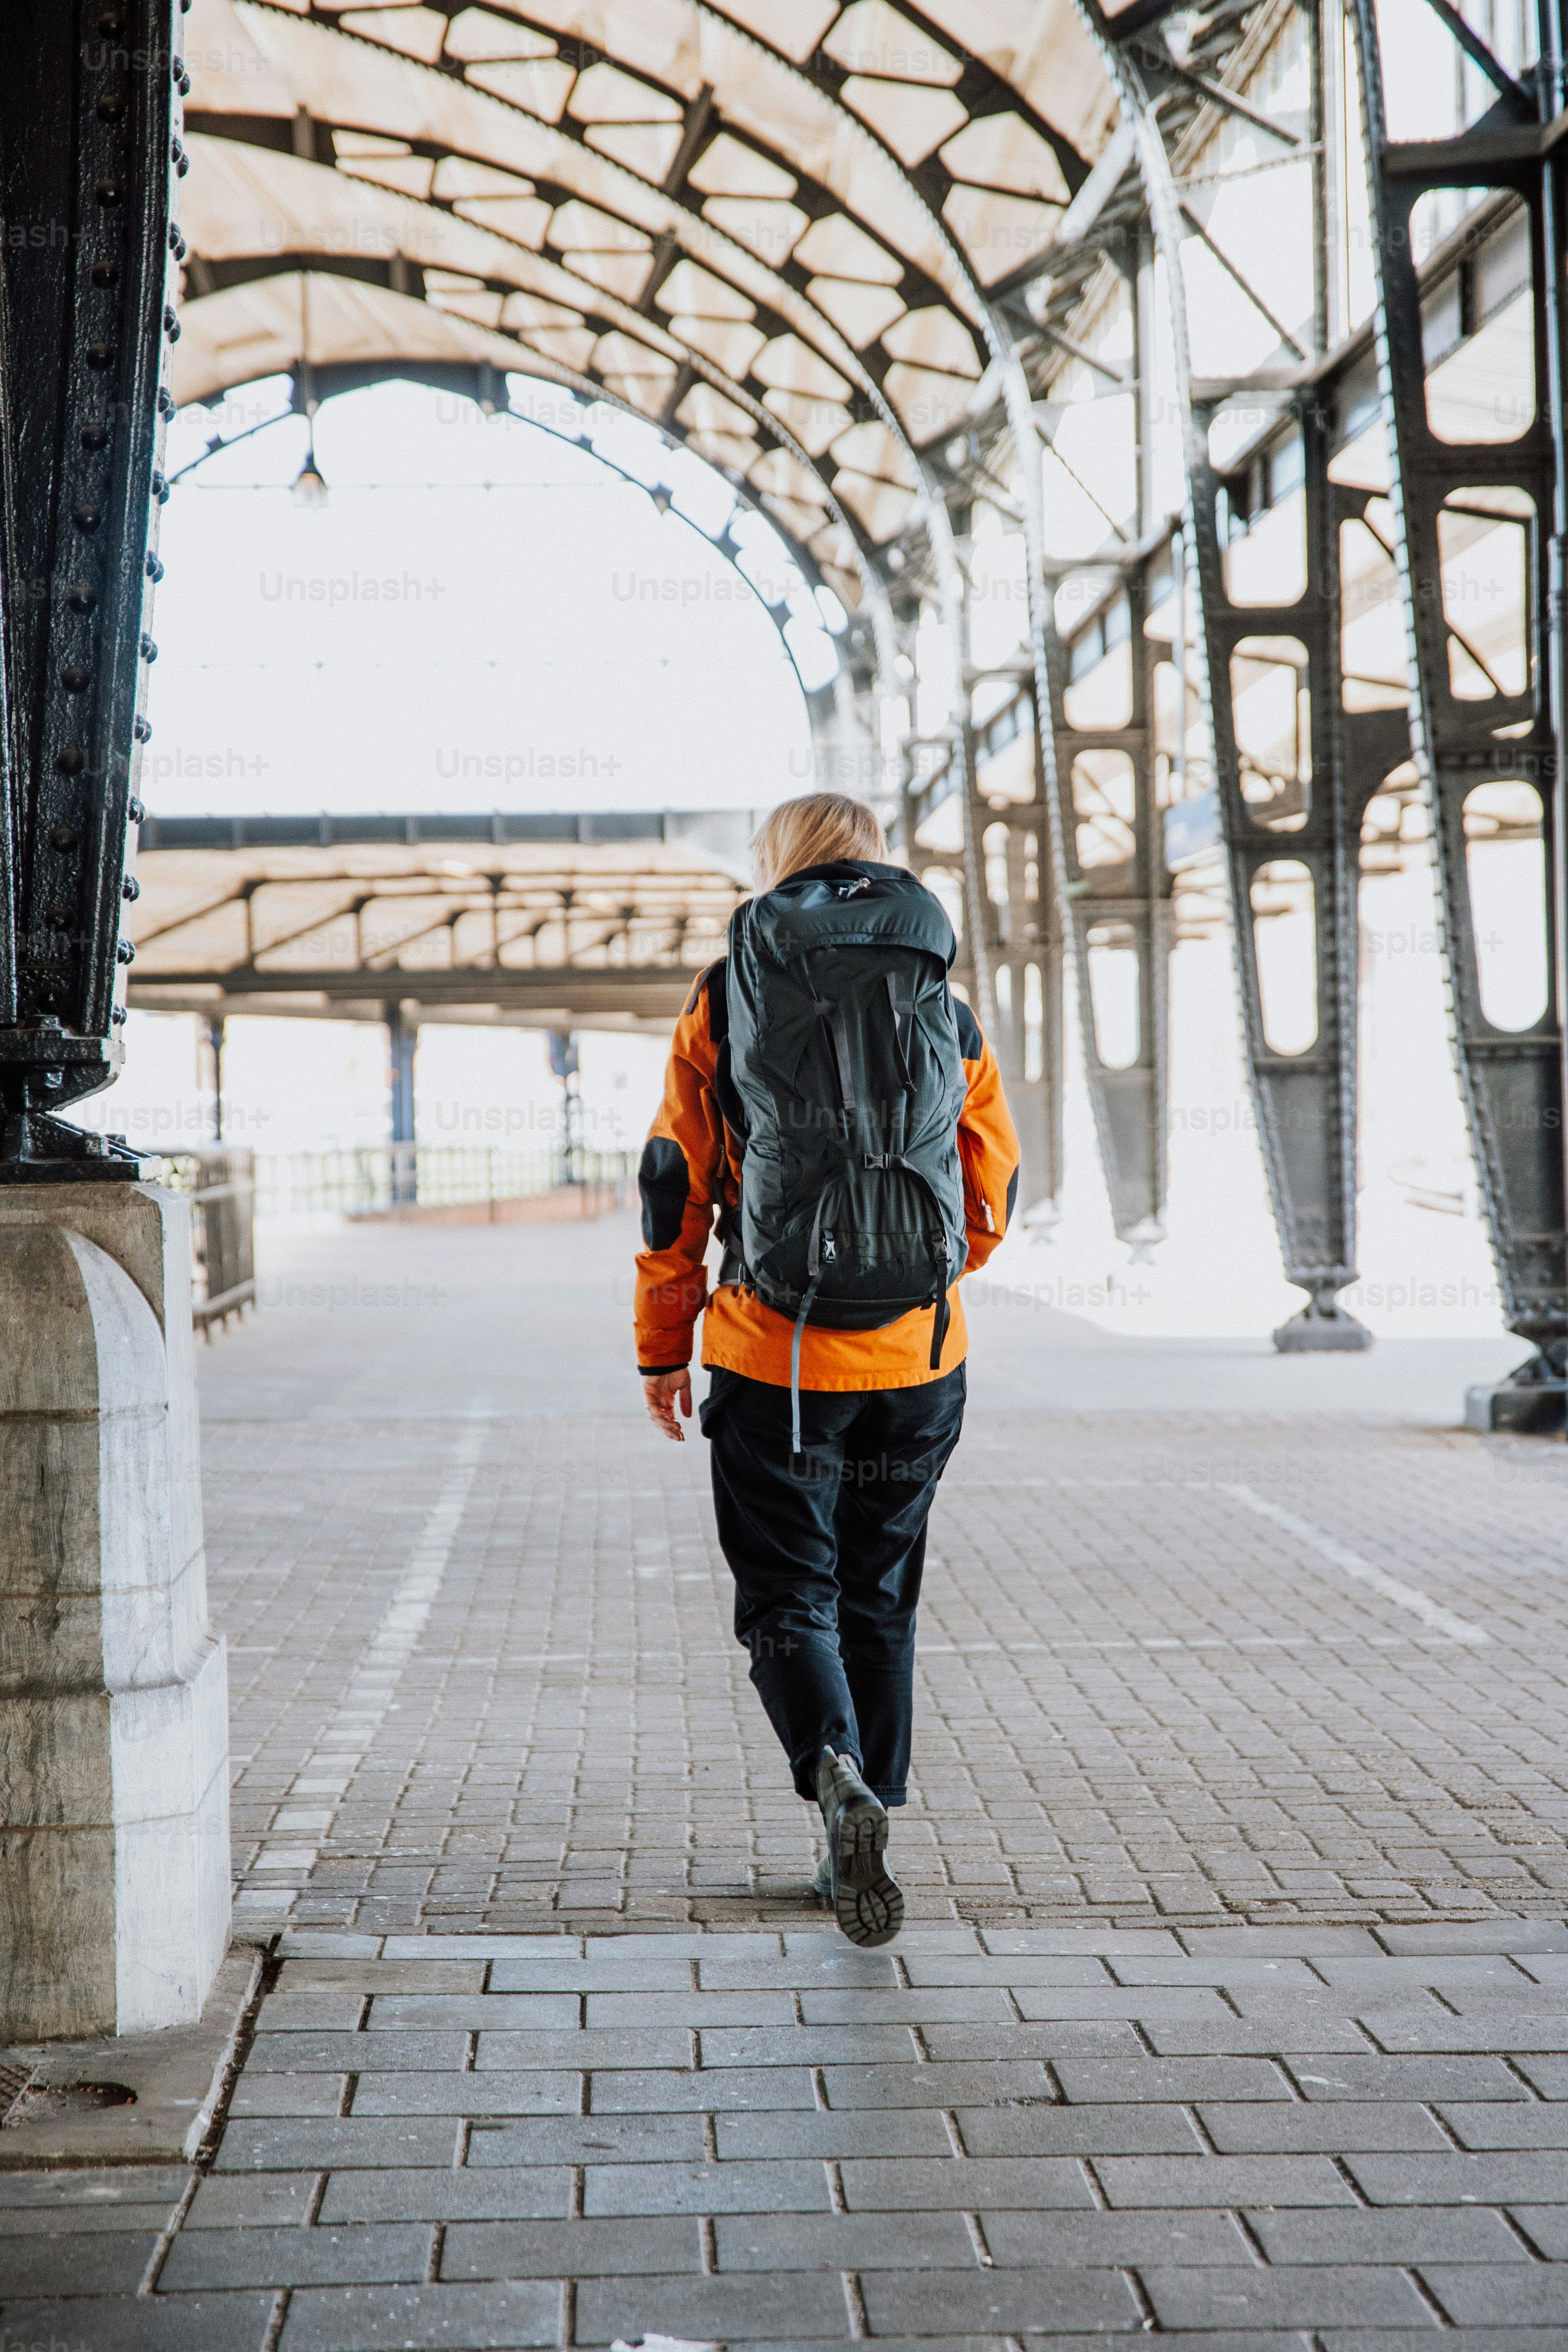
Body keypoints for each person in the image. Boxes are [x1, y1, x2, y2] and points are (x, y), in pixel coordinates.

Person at [634, 792, 1018, 1946]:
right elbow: (992, 1182)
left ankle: (832, 1772)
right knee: (878, 1595)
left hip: (774, 1357)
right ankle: (871, 1808)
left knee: (788, 1596)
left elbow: (672, 1178)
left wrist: (663, 1344)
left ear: (779, 864)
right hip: (918, 1359)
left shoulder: (729, 991)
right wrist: (918, 1279)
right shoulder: (939, 997)